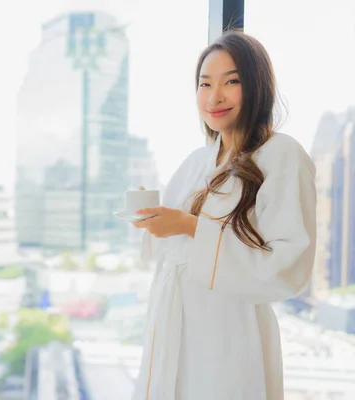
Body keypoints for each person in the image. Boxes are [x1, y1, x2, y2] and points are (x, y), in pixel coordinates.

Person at [131, 30, 316, 400]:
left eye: (231, 81)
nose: (214, 96)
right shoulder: (197, 160)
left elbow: (288, 268)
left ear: (257, 85)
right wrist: (152, 220)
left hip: (230, 338)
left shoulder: (282, 156)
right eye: (205, 84)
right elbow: (167, 253)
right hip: (172, 330)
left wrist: (189, 226)